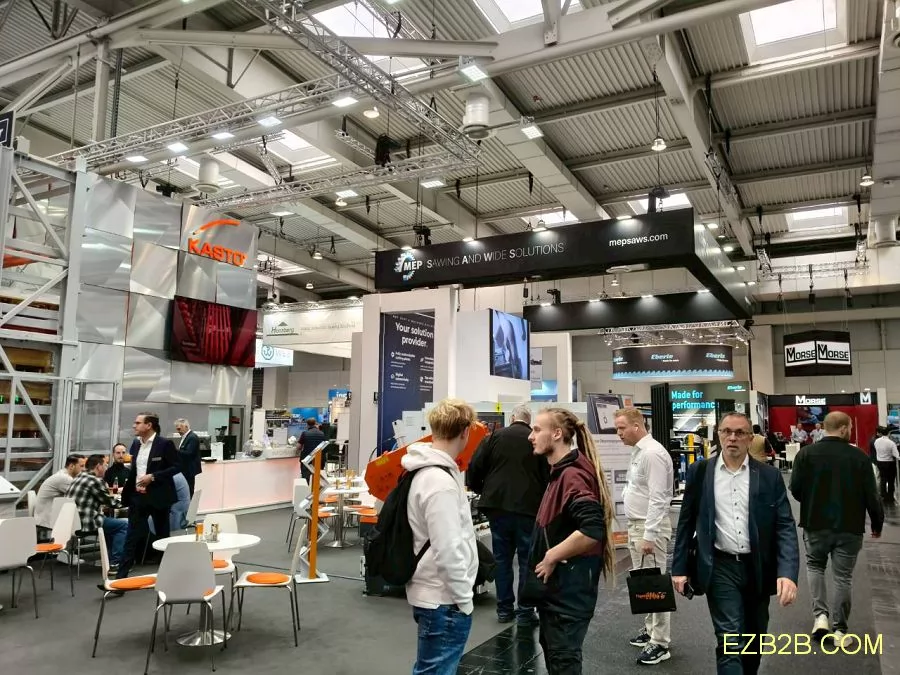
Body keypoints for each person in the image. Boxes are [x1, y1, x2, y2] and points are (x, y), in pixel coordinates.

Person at [672, 412, 799, 675]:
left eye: (739, 432)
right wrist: (679, 567)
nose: (732, 437)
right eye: (726, 431)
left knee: (754, 639)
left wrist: (787, 573)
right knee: (729, 640)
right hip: (720, 566)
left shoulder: (769, 476)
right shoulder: (701, 472)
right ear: (718, 435)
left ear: (750, 439)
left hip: (757, 567)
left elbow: (785, 525)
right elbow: (686, 522)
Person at [525, 408, 615, 674]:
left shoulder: (572, 476)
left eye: (537, 430)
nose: (531, 436)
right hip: (560, 595)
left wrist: (551, 556)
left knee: (563, 661)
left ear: (557, 434)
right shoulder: (562, 472)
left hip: (566, 598)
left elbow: (592, 529)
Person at [789, 412, 883, 646]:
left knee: (815, 567)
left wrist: (812, 501)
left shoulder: (805, 454)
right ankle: (840, 630)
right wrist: (877, 523)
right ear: (842, 429)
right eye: (850, 426)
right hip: (849, 526)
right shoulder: (860, 457)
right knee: (843, 577)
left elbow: (795, 488)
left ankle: (820, 617)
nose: (851, 430)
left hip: (814, 523)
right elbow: (872, 495)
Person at [402, 399, 479, 675]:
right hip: (444, 599)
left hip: (435, 594)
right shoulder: (440, 482)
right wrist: (464, 599)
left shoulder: (425, 472)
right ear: (465, 432)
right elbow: (447, 548)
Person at [466, 404, 549, 626]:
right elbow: (547, 474)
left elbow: (474, 466)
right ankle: (525, 611)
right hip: (528, 509)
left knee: (502, 559)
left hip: (498, 507)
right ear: (529, 421)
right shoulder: (536, 439)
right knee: (527, 560)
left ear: (512, 418)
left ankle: (504, 610)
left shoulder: (494, 437)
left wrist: (482, 489)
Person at [615, 408, 674, 666]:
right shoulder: (640, 452)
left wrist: (649, 535)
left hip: (650, 528)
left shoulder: (652, 454)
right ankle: (651, 631)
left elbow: (659, 498)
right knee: (645, 582)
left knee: (655, 585)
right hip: (638, 526)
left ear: (637, 427)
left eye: (621, 428)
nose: (618, 433)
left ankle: (660, 643)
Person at [117, 412, 181, 579]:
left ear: (149, 425)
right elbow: (134, 469)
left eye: (138, 423)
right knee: (131, 537)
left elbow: (177, 467)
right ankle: (120, 578)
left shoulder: (164, 444)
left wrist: (153, 477)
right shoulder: (136, 444)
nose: (134, 425)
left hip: (158, 497)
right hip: (138, 497)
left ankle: (168, 576)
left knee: (162, 537)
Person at [66, 454, 129, 569]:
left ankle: (108, 559)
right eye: (105, 465)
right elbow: (110, 502)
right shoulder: (94, 480)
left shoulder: (79, 477)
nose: (106, 469)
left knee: (112, 524)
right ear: (98, 466)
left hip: (73, 522)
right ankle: (115, 563)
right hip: (86, 522)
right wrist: (129, 503)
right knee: (124, 524)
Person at [34, 454, 85, 529]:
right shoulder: (64, 478)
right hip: (47, 521)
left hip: (47, 517)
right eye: (81, 466)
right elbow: (82, 495)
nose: (84, 469)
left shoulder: (62, 474)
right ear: (71, 466)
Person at [174, 418, 202, 496]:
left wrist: (174, 450)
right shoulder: (185, 437)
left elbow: (189, 453)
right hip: (184, 469)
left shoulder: (192, 437)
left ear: (186, 427)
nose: (178, 431)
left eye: (179, 429)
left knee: (189, 491)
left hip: (189, 470)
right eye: (177, 429)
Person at [873, 427, 899, 503]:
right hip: (889, 463)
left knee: (883, 480)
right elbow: (896, 455)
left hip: (880, 462)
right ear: (889, 433)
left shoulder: (876, 441)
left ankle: (883, 496)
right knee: (891, 481)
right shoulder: (891, 443)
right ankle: (890, 497)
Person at [298, 418, 325, 483]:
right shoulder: (322, 433)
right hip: (318, 458)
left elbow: (299, 447)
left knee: (306, 477)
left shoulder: (305, 433)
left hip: (307, 459)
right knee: (317, 476)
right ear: (315, 424)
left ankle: (307, 488)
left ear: (307, 425)